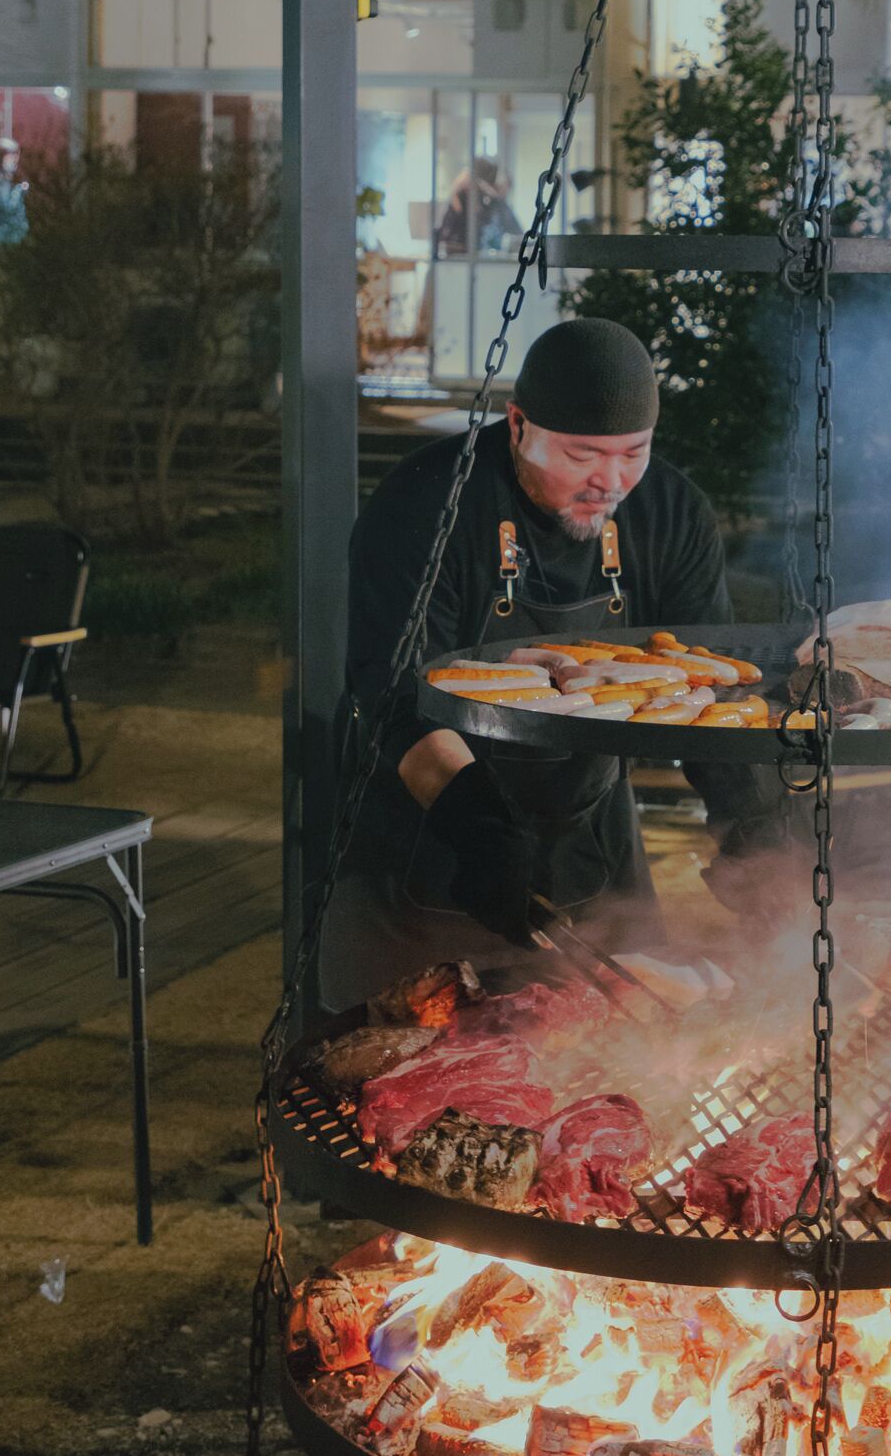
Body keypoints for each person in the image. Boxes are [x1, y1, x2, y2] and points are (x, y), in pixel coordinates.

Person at [330, 315, 781, 1010]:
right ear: (516, 425)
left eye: (633, 452)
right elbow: (391, 697)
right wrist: (477, 830)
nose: (611, 481)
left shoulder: (668, 512)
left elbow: (703, 687)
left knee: (619, 1041)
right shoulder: (429, 505)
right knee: (418, 1060)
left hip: (589, 823)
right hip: (436, 828)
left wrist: (751, 824)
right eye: (581, 455)